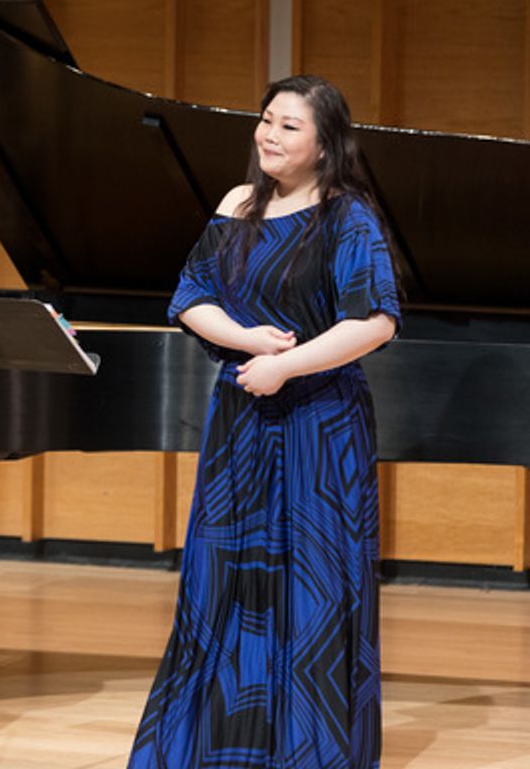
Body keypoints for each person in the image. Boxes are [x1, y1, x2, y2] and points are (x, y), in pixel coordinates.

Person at [128, 76, 401, 768]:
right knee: (226, 580)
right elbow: (191, 297)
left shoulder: (348, 217)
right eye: (266, 120)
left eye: (288, 126)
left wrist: (290, 365)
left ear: (324, 144)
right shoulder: (237, 205)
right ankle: (223, 748)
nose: (269, 135)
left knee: (314, 582)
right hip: (242, 420)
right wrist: (252, 344)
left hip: (319, 425)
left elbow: (375, 321)